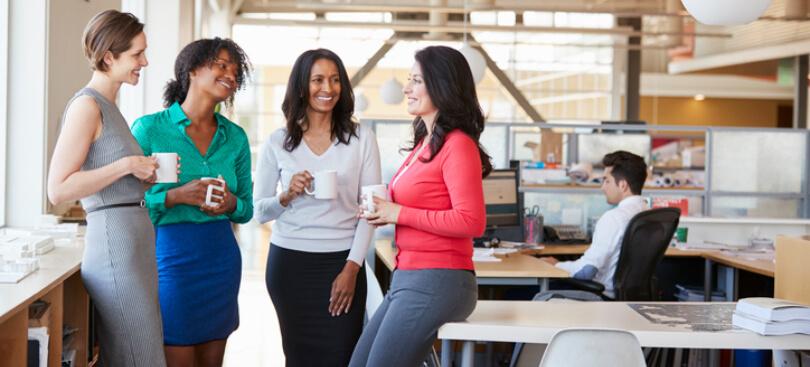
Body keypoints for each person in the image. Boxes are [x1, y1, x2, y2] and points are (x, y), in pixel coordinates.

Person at [349, 45, 492, 367]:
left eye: (416, 80)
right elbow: (419, 206)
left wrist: (397, 212)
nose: (406, 88)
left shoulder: (458, 144)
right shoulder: (425, 143)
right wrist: (382, 209)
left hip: (439, 279)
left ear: (441, 85)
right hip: (409, 277)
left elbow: (471, 221)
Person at [46, 10, 167, 367]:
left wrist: (140, 175)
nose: (144, 62)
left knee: (133, 355)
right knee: (140, 357)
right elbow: (58, 189)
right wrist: (127, 165)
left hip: (134, 246)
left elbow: (108, 175)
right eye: (136, 54)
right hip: (115, 248)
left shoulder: (112, 108)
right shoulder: (87, 106)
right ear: (109, 56)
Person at [254, 48, 381, 366]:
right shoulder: (278, 142)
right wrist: (287, 196)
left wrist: (352, 268)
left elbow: (371, 210)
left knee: (341, 356)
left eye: (335, 80)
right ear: (301, 86)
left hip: (342, 263)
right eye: (318, 80)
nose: (328, 88)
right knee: (298, 358)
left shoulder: (361, 138)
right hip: (290, 266)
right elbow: (260, 212)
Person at [130, 38, 253, 367]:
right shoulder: (149, 129)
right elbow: (128, 201)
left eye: (236, 70)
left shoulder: (235, 137)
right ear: (193, 70)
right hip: (171, 256)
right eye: (222, 64)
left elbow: (246, 209)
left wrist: (228, 204)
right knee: (177, 352)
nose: (231, 74)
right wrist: (174, 196)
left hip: (221, 256)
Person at [538, 150, 649, 299]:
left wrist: (556, 264)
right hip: (626, 299)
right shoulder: (645, 211)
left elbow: (586, 271)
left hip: (600, 296)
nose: (603, 187)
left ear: (622, 185)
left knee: (515, 292)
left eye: (607, 181)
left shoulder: (614, 218)